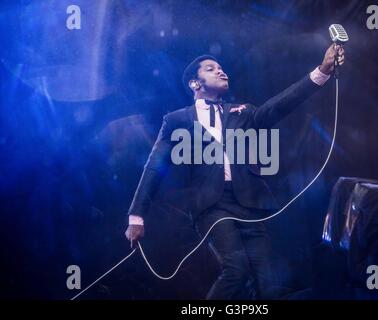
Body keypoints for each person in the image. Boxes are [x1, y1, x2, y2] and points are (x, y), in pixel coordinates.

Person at [125, 44, 345, 299]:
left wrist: (322, 71)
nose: (221, 72)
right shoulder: (177, 120)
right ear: (195, 84)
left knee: (269, 283)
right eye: (211, 69)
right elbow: (154, 165)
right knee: (236, 269)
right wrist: (137, 215)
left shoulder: (241, 112)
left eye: (221, 68)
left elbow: (279, 106)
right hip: (212, 207)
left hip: (249, 204)